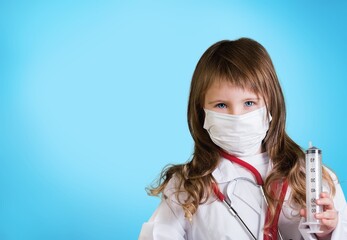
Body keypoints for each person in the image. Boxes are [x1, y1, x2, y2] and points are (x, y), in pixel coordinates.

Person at [139, 38, 347, 240]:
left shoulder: (313, 178)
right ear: (201, 112)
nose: (237, 116)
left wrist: (326, 233)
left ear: (271, 105)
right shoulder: (186, 185)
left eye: (249, 103)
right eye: (221, 105)